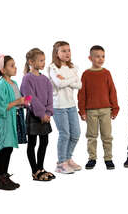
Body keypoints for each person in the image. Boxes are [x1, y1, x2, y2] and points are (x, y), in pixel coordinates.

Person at [77, 45, 119, 170]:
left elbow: (112, 91)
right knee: (91, 136)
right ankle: (92, 158)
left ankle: (108, 158)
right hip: (91, 110)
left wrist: (115, 108)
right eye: (97, 57)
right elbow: (81, 93)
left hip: (106, 109)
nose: (101, 59)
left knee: (107, 135)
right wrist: (82, 110)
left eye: (103, 56)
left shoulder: (106, 73)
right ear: (90, 58)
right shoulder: (86, 74)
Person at [21, 48, 55, 181]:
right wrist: (41, 114)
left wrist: (48, 113)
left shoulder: (45, 79)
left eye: (44, 60)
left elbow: (49, 98)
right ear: (31, 61)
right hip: (34, 116)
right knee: (32, 143)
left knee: (44, 141)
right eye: (40, 60)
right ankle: (34, 170)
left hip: (45, 116)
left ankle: (41, 168)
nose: (43, 63)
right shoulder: (27, 79)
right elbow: (29, 98)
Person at [48, 41, 82, 174]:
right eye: (63, 51)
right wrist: (71, 80)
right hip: (59, 106)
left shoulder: (72, 67)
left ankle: (68, 158)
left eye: (68, 50)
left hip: (71, 105)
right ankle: (61, 163)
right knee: (65, 134)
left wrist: (68, 80)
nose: (67, 53)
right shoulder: (53, 67)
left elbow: (79, 85)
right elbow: (59, 83)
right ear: (57, 53)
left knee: (76, 134)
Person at [0, 54, 27, 190]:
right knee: (5, 149)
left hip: (14, 119)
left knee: (9, 149)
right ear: (3, 69)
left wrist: (24, 102)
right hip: (5, 121)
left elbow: (18, 102)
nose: (15, 68)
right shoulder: (1, 85)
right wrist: (17, 102)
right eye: (11, 65)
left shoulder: (14, 83)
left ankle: (4, 176)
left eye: (15, 65)